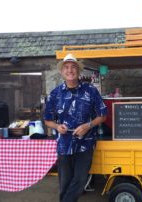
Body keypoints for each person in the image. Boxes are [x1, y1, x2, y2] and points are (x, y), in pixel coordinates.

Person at [43, 53, 107, 202]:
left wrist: (88, 125)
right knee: (65, 182)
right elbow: (47, 120)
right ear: (61, 72)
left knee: (80, 180)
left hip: (85, 143)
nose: (70, 70)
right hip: (64, 144)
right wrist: (57, 126)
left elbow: (103, 115)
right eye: (66, 67)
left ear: (78, 71)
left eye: (73, 67)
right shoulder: (55, 94)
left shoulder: (90, 91)